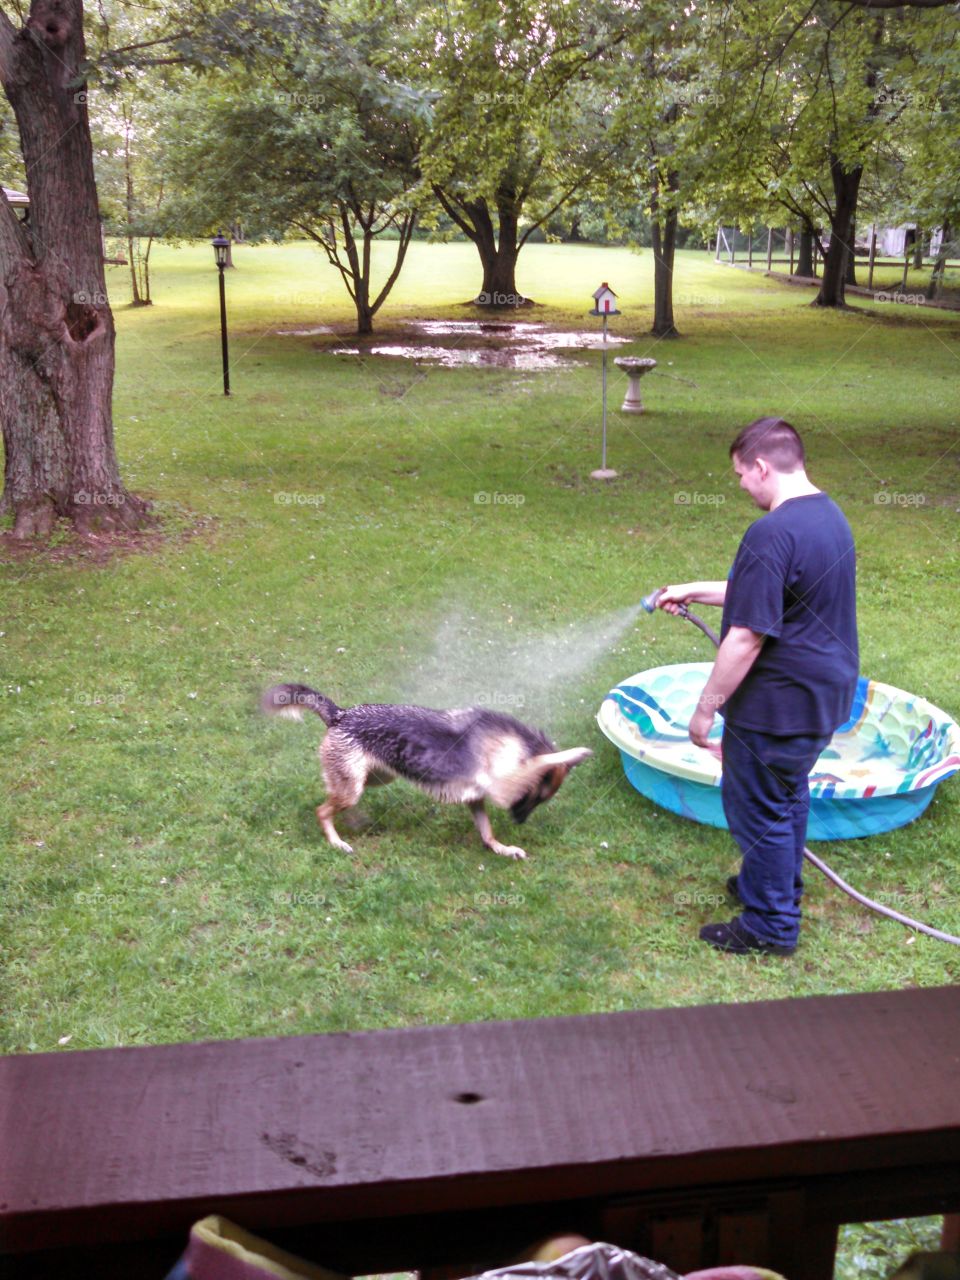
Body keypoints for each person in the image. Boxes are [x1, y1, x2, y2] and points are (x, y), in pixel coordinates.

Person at [657, 418, 858, 955]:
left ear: (763, 467)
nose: (741, 484)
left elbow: (746, 638)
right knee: (786, 797)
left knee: (758, 809)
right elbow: (771, 589)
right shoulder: (827, 517)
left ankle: (770, 926)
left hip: (778, 706)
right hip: (822, 697)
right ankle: (772, 887)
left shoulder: (771, 532)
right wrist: (695, 590)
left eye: (741, 474)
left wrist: (704, 714)